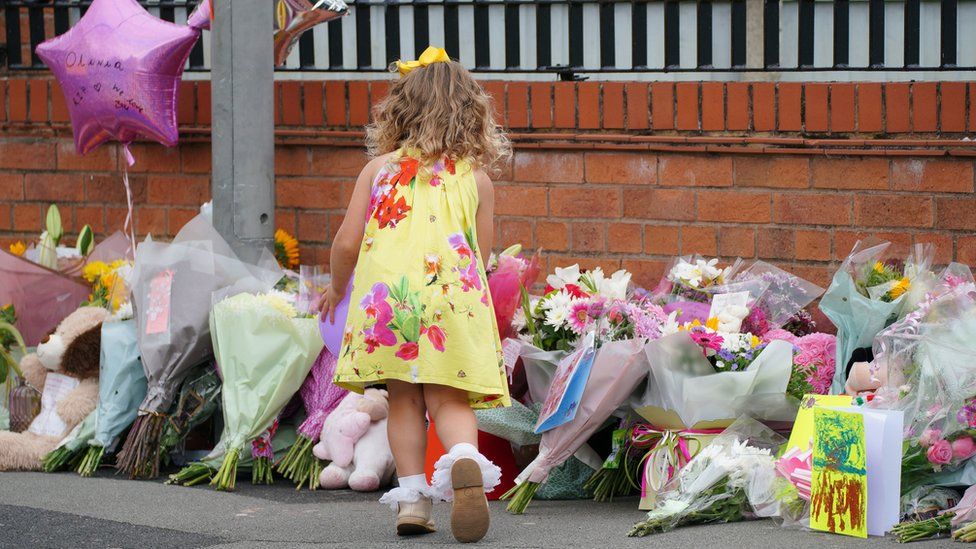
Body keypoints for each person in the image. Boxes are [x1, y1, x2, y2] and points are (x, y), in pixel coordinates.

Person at [317, 46, 511, 543]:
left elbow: (346, 242)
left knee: (402, 397)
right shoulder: (476, 179)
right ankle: (464, 459)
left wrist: (337, 289)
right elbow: (480, 256)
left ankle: (412, 501)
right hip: (453, 299)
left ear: (399, 110)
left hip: (392, 303)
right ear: (471, 113)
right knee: (447, 398)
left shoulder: (379, 171)